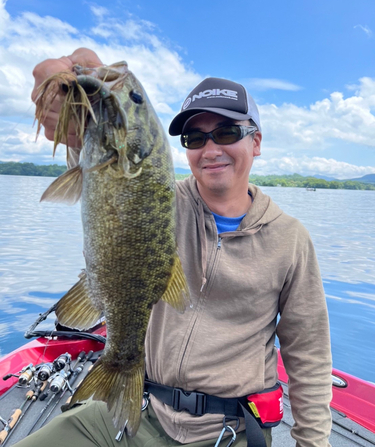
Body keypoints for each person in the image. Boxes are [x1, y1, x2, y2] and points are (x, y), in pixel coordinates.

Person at [17, 48, 332, 447]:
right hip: (142, 407)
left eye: (227, 132)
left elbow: (310, 357)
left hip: (227, 431)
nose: (211, 148)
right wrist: (77, 117)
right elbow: (103, 171)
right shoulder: (159, 196)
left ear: (256, 142)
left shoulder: (290, 239)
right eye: (195, 137)